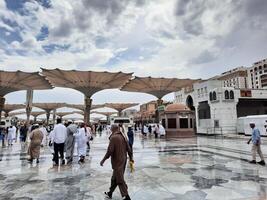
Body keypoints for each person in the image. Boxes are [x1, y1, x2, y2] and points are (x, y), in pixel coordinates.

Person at [100, 124, 133, 200]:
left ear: (112, 129)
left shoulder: (114, 137)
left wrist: (103, 160)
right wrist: (131, 158)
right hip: (123, 160)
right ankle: (110, 193)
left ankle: (126, 197)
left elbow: (110, 151)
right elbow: (129, 148)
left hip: (117, 161)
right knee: (114, 178)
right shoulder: (123, 136)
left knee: (119, 179)